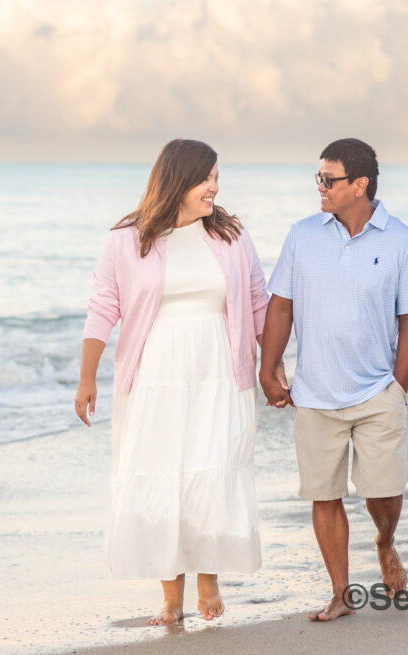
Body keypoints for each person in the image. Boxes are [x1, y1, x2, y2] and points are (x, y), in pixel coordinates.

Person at [75, 139, 282, 625]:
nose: (215, 186)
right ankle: (170, 596)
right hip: (155, 374)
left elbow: (258, 300)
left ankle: (208, 579)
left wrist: (270, 365)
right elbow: (104, 306)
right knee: (163, 470)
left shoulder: (231, 236)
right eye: (206, 177)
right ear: (178, 180)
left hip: (218, 366)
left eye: (216, 177)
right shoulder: (127, 239)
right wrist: (88, 377)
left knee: (211, 467)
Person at [259, 138, 408, 622]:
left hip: (378, 390)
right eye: (318, 177)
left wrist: (398, 387)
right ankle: (341, 592)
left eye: (328, 179)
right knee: (324, 494)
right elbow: (281, 305)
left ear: (360, 185)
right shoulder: (302, 235)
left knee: (383, 490)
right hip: (314, 394)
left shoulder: (403, 242)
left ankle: (385, 540)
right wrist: (268, 367)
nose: (320, 187)